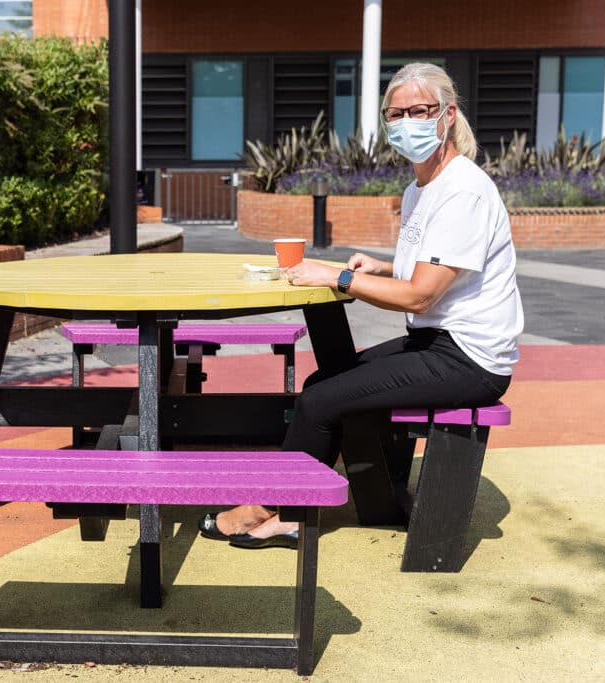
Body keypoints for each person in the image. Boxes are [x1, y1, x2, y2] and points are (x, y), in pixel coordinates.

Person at [198, 62, 524, 549]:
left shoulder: (465, 192)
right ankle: (362, 499)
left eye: (420, 111)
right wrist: (383, 266)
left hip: (469, 358)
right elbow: (430, 269)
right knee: (323, 384)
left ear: (448, 114)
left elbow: (421, 294)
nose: (406, 123)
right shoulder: (422, 188)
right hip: (436, 343)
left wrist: (340, 277)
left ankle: (278, 511)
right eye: (396, 115)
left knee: (318, 401)